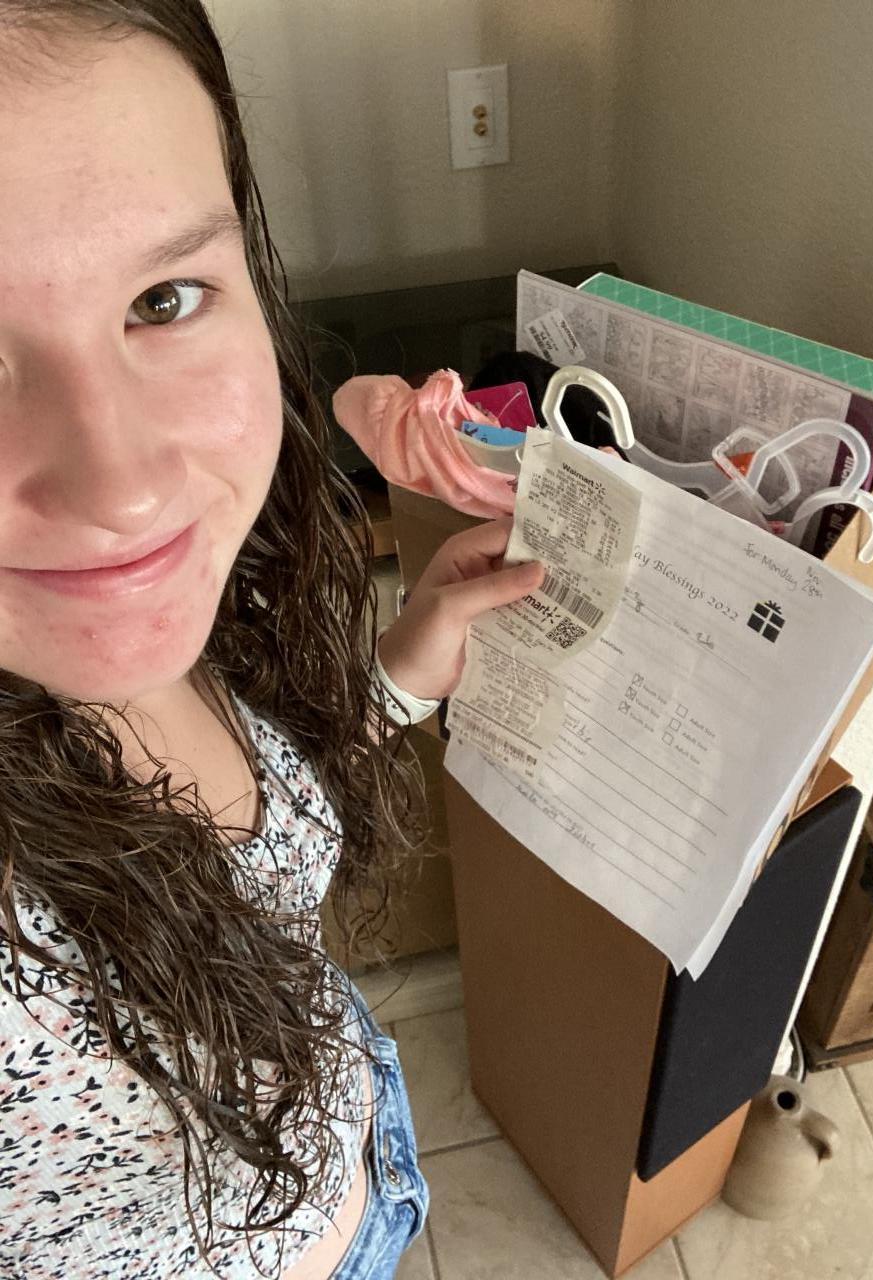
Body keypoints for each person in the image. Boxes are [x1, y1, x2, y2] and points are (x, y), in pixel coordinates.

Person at [0, 4, 545, 1278]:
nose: (127, 488)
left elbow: (257, 859)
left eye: (163, 297)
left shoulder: (187, 606)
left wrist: (396, 670)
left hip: (363, 1155)